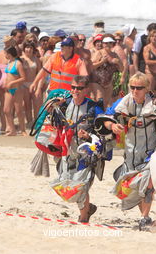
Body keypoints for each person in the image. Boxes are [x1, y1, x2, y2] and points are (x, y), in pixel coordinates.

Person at [98, 72, 156, 230]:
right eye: (132, 87)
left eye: (139, 88)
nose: (135, 91)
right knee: (133, 188)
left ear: (147, 88)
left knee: (147, 185)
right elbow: (104, 119)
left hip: (151, 154)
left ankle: (144, 217)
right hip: (130, 155)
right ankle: (146, 218)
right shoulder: (123, 103)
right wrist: (112, 126)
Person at [49, 76, 104, 223]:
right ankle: (88, 208)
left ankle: (83, 217)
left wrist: (88, 136)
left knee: (81, 185)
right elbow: (52, 119)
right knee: (66, 185)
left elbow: (103, 131)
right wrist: (54, 105)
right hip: (68, 151)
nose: (75, 91)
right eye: (73, 87)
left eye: (79, 88)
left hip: (87, 154)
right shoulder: (65, 104)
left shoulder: (94, 108)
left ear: (86, 90)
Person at [90, 35, 122, 108]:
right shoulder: (99, 53)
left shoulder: (115, 55)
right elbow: (91, 66)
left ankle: (101, 118)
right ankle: (95, 116)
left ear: (112, 44)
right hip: (96, 81)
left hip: (108, 83)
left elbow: (121, 70)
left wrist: (119, 63)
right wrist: (102, 62)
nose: (108, 45)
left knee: (105, 103)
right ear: (103, 44)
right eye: (106, 43)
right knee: (99, 100)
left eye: (110, 43)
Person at [3, 46, 26, 136]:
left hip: (17, 89)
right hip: (8, 90)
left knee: (19, 110)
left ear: (9, 54)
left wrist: (12, 83)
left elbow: (23, 78)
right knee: (6, 110)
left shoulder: (18, 64)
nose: (4, 55)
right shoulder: (9, 62)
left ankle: (23, 130)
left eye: (5, 53)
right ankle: (12, 129)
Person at [0, 35, 16, 132]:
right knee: (10, 105)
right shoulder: (13, 54)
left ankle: (4, 126)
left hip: (0, 78)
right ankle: (9, 126)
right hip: (9, 79)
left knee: (2, 104)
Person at [21, 41, 42, 126]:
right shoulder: (21, 59)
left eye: (30, 48)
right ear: (24, 49)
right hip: (24, 85)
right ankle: (29, 122)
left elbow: (40, 74)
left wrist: (39, 86)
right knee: (27, 105)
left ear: (33, 49)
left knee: (37, 105)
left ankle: (36, 122)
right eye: (27, 47)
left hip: (34, 84)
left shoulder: (36, 59)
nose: (28, 49)